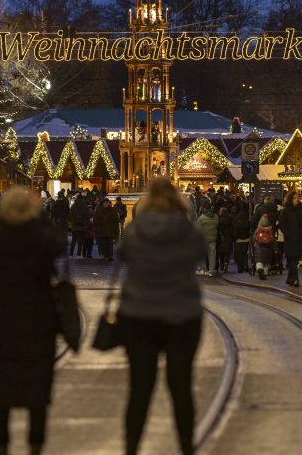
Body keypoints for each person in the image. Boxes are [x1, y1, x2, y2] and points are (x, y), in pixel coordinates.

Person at [117, 178, 206, 455]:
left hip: (139, 316)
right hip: (183, 316)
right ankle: (186, 446)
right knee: (181, 387)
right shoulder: (190, 232)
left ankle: (132, 448)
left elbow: (122, 256)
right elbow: (200, 254)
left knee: (140, 388)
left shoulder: (134, 231)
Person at [0, 188, 64, 455]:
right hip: (39, 321)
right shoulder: (41, 239)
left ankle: (2, 444)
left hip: (1, 321)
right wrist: (38, 219)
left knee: (0, 387)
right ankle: (35, 443)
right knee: (38, 388)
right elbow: (58, 243)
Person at [277, 191, 302, 287]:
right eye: (294, 198)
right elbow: (281, 224)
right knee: (292, 259)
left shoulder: (301, 210)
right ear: (290, 199)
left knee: (293, 259)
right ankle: (295, 279)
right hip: (290, 238)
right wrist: (287, 233)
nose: (296, 200)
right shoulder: (286, 211)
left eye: (297, 198)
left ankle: (290, 278)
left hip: (299, 238)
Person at [195, 202, 218, 276]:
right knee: (212, 255)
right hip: (213, 238)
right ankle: (211, 271)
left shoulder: (202, 218)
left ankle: (201, 269)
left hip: (203, 239)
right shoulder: (216, 217)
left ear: (204, 208)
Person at [68, 193, 92, 258]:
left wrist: (73, 222)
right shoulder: (85, 206)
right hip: (82, 227)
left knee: (73, 241)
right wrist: (86, 225)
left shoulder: (73, 206)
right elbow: (88, 217)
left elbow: (70, 216)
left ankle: (71, 255)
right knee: (80, 242)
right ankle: (78, 255)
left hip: (75, 226)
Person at [252, 214, 275, 280]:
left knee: (259, 261)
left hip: (259, 248)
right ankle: (265, 274)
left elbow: (254, 238)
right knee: (266, 262)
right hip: (268, 249)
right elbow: (273, 240)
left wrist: (254, 243)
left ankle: (259, 269)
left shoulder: (258, 230)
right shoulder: (270, 230)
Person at [231, 204, 252, 274]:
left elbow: (235, 229)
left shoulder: (237, 218)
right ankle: (246, 266)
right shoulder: (246, 218)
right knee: (245, 253)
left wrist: (235, 238)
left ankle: (240, 267)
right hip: (246, 239)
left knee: (239, 254)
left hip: (238, 239)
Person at [215, 206, 233, 275]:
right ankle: (226, 263)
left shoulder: (218, 220)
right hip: (228, 239)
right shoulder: (229, 219)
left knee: (221, 254)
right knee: (227, 253)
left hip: (221, 239)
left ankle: (222, 267)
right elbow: (232, 230)